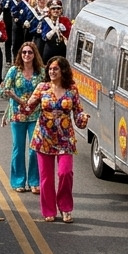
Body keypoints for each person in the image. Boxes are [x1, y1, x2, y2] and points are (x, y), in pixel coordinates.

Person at [20, 57, 87, 223]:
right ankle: (49, 210)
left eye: (55, 69)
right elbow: (28, 109)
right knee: (46, 177)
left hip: (65, 139)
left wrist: (83, 117)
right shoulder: (42, 88)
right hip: (44, 138)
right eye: (50, 69)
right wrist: (21, 102)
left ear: (63, 70)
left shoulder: (71, 89)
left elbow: (78, 114)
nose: (51, 71)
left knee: (65, 173)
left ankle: (65, 208)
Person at [0, 42, 42, 193]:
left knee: (34, 150)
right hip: (17, 116)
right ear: (20, 54)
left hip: (35, 115)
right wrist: (11, 96)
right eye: (24, 52)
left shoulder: (41, 72)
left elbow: (48, 91)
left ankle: (34, 182)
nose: (27, 55)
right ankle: (18, 182)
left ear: (34, 54)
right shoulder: (14, 71)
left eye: (30, 52)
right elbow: (3, 90)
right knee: (18, 148)